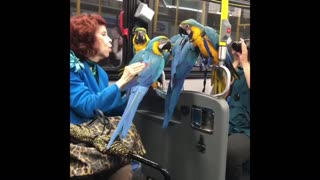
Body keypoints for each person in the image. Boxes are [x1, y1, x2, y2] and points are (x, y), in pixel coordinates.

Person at [70, 13, 145, 180]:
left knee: (130, 168)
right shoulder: (72, 69)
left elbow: (108, 111)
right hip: (77, 141)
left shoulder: (100, 73)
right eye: (104, 35)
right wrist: (121, 82)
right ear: (87, 38)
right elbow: (87, 106)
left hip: (95, 137)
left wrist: (131, 89)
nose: (111, 40)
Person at [225, 38, 250, 180]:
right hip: (230, 124)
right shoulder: (241, 71)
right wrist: (236, 61)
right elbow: (222, 90)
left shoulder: (247, 70)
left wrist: (245, 62)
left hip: (246, 130)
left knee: (231, 152)